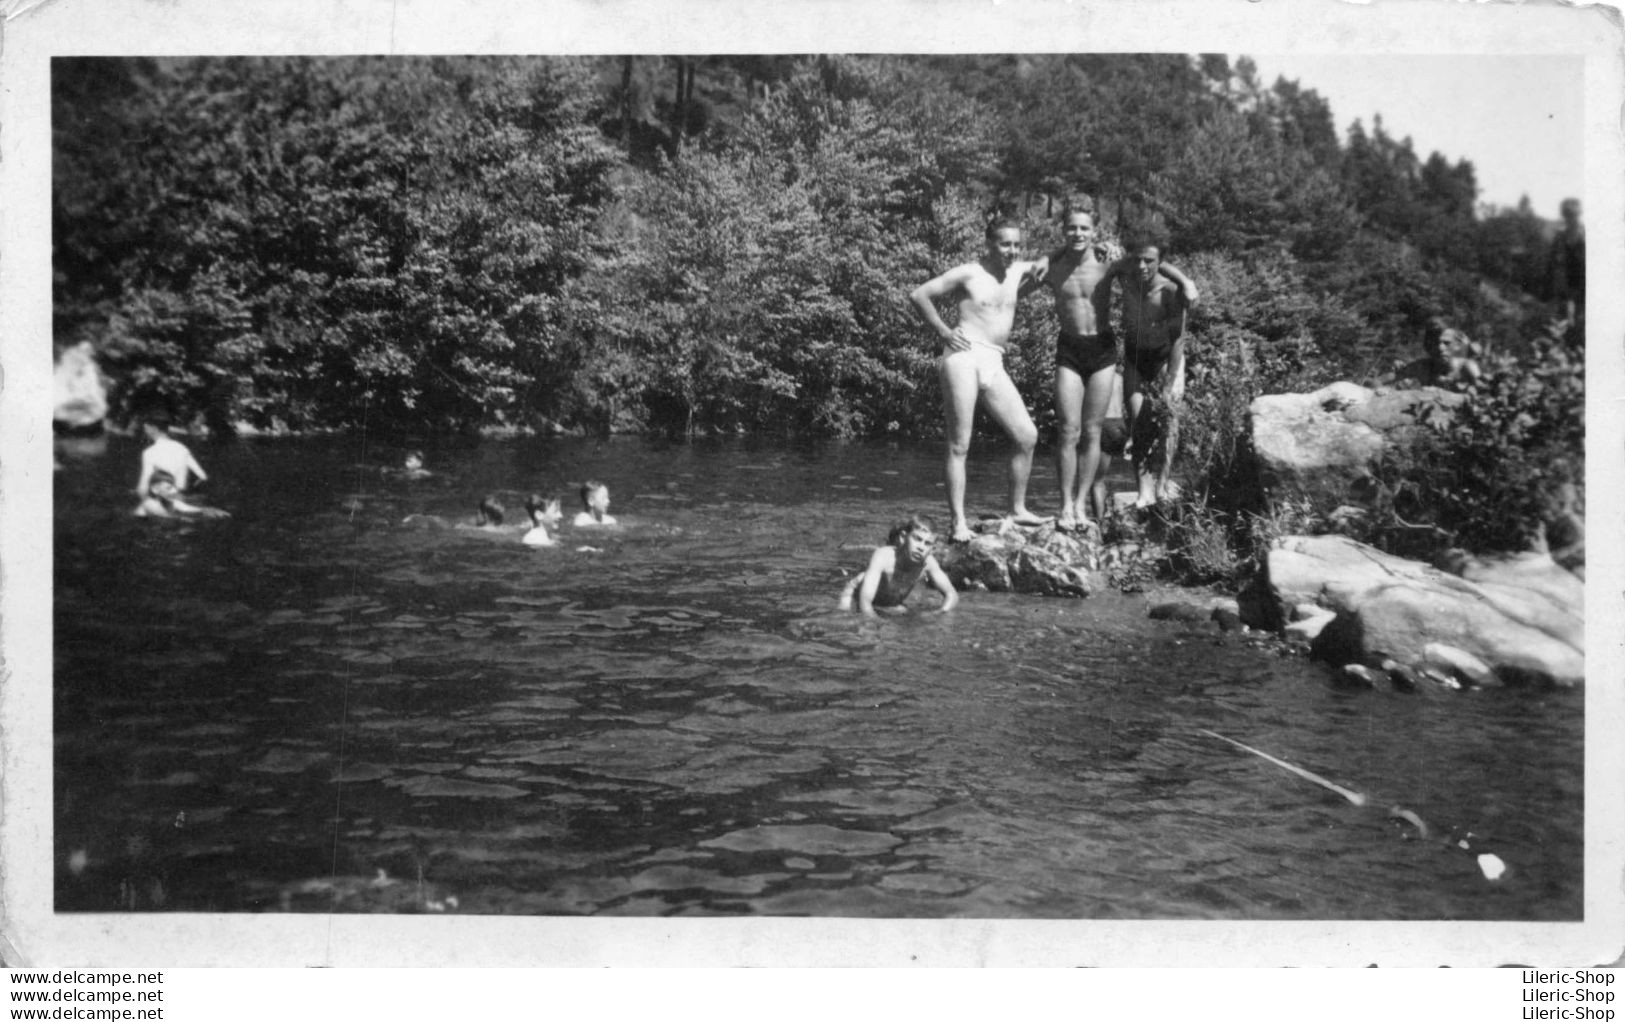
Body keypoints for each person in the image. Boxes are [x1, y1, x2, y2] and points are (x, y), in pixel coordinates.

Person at [1036, 206, 1198, 533]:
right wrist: (1044, 257)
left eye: (1085, 228)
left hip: (1132, 354)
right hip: (1093, 351)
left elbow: (1155, 262)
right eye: (1072, 228)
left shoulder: (1127, 271)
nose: (1078, 233)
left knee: (1150, 424)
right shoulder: (1070, 268)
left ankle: (1151, 488)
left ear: (1095, 231)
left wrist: (1186, 280)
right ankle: (1078, 503)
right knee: (1091, 428)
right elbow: (1143, 257)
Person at [909, 218, 1048, 543]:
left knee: (1027, 435)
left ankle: (1017, 509)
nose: (1012, 251)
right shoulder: (968, 272)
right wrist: (944, 331)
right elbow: (919, 294)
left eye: (1016, 245)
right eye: (1005, 244)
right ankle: (958, 523)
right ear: (989, 244)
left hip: (994, 359)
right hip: (964, 356)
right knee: (960, 444)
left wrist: (1043, 261)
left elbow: (1046, 264)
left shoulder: (1017, 270)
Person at [1095, 228, 1190, 507]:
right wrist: (1099, 246)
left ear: (1160, 262)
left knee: (1169, 421)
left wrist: (1169, 381)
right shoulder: (1126, 277)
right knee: (1139, 424)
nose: (1142, 266)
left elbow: (1178, 341)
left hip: (1166, 358)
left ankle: (1162, 484)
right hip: (1136, 357)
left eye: (1149, 260)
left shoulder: (1171, 291)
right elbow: (1110, 262)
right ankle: (1143, 490)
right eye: (1138, 259)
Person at [837, 514, 958, 616]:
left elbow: (952, 594)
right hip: (855, 595)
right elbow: (865, 601)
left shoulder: (929, 563)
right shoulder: (883, 556)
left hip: (890, 603)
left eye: (927, 543)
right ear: (903, 537)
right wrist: (875, 622)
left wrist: (939, 613)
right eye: (917, 539)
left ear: (932, 548)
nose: (921, 547)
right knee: (846, 618)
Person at [134, 419, 207, 496]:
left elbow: (143, 486)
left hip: (162, 498)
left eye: (146, 429)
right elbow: (203, 476)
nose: (145, 432)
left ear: (153, 429)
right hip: (181, 495)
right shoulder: (182, 448)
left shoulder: (149, 452)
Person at [134, 471, 229, 519]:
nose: (175, 491)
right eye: (169, 488)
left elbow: (186, 508)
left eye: (174, 487)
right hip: (141, 523)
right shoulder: (148, 503)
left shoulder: (171, 502)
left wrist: (207, 510)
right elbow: (163, 514)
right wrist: (183, 518)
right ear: (155, 490)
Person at [1549, 197, 1584, 324]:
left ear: (1578, 215)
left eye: (1573, 215)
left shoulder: (1584, 236)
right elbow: (1552, 262)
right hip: (1563, 285)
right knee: (1560, 321)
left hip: (1581, 286)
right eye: (1567, 215)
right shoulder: (1560, 237)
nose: (1570, 218)